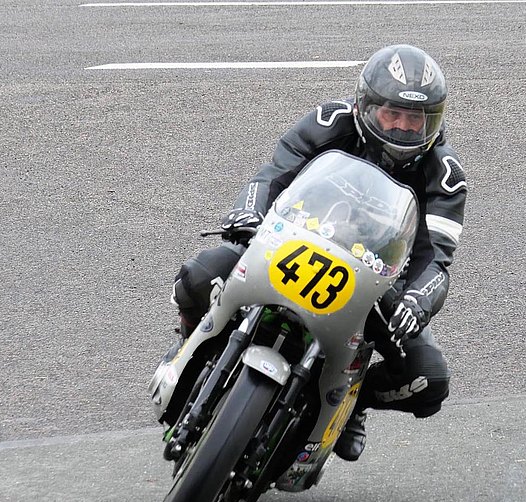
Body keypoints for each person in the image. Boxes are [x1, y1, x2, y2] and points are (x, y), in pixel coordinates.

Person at [170, 44, 467, 461]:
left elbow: (436, 259)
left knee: (428, 380)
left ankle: (352, 404)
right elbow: (272, 175)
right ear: (367, 107)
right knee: (197, 277)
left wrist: (418, 301)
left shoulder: (446, 177)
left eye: (415, 118)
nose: (403, 128)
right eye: (392, 114)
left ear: (433, 120)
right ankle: (192, 346)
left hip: (375, 284)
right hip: (293, 242)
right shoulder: (330, 121)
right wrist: (248, 211)